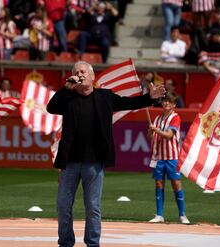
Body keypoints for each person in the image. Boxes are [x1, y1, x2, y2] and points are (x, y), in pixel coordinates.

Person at [47, 61, 165, 247]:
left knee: (93, 207)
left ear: (92, 76)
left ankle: (93, 244)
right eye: (76, 72)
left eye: (83, 71)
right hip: (69, 162)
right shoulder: (68, 98)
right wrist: (66, 88)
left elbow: (129, 103)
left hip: (94, 162)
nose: (80, 74)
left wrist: (149, 98)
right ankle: (66, 243)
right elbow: (51, 107)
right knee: (63, 206)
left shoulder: (104, 96)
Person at [147, 92, 190, 224]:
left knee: (176, 184)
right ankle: (159, 215)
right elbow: (150, 137)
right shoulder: (158, 118)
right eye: (164, 101)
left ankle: (182, 215)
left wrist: (156, 130)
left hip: (172, 157)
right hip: (159, 156)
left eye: (169, 102)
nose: (165, 103)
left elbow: (169, 135)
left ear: (173, 105)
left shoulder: (175, 118)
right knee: (159, 184)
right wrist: (150, 130)